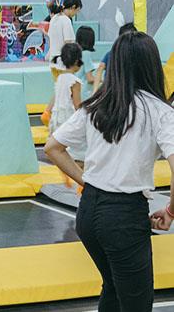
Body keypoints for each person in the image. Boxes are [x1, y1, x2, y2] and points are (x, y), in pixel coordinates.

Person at [44, 31, 174, 311]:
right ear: (152, 65)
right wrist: (172, 211)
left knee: (114, 289)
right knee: (136, 303)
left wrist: (87, 182)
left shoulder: (97, 105)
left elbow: (52, 147)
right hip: (123, 217)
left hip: (89, 214)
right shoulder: (159, 111)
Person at [49, 43, 85, 168]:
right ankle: (78, 171)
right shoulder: (75, 81)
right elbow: (77, 105)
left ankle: (65, 168)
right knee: (80, 150)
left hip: (57, 119)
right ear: (77, 61)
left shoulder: (60, 78)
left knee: (63, 148)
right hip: (68, 118)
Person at [93, 22, 137, 93]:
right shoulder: (136, 55)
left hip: (110, 90)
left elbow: (100, 68)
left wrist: (95, 91)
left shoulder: (111, 53)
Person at [46, 0, 83, 74]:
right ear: (73, 7)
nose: (76, 14)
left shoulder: (54, 18)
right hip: (63, 62)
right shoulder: (66, 21)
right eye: (77, 11)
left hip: (53, 61)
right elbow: (69, 44)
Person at [75, 26, 97, 100]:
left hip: (75, 91)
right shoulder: (86, 54)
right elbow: (89, 78)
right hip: (84, 93)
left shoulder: (76, 53)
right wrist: (103, 81)